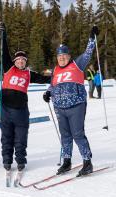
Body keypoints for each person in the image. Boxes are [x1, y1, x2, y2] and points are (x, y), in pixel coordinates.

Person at [43, 26, 99, 176]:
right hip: (59, 107)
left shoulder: (77, 64)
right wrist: (48, 92)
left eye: (64, 55)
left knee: (78, 134)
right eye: (59, 56)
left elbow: (88, 53)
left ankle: (87, 162)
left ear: (69, 56)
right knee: (65, 135)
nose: (62, 58)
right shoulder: (55, 70)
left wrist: (91, 38)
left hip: (76, 106)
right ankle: (66, 161)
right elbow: (53, 84)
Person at [0, 23, 51, 172]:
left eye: (23, 60)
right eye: (18, 60)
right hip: (5, 108)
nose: (21, 61)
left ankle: (20, 161)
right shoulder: (9, 68)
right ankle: (7, 161)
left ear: (26, 62)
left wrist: (57, 76)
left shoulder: (28, 74)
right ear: (14, 61)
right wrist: (3, 35)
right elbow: (4, 52)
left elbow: (44, 79)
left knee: (21, 138)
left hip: (21, 110)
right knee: (7, 137)